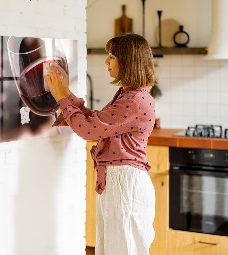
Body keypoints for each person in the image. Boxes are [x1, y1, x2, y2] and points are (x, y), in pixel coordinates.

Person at [45, 33, 157, 255]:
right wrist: (66, 93)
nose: (106, 61)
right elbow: (96, 122)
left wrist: (61, 97)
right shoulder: (130, 95)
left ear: (128, 61)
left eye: (112, 56)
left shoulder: (134, 100)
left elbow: (88, 130)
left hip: (125, 184)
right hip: (120, 182)